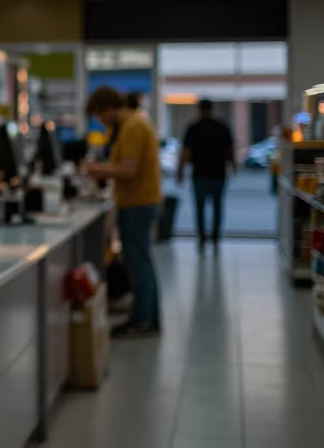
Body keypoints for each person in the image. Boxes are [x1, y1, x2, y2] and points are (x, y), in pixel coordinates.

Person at [85, 86, 162, 338]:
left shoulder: (132, 127)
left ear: (107, 108)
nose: (100, 122)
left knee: (138, 262)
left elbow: (128, 169)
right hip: (136, 201)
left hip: (138, 202)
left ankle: (143, 320)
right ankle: (146, 315)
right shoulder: (131, 124)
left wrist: (98, 169)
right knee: (140, 260)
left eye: (99, 115)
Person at [177, 99, 235, 248]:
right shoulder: (221, 127)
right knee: (217, 207)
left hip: (199, 174)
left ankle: (202, 237)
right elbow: (230, 149)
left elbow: (185, 152)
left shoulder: (194, 128)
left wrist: (180, 171)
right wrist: (233, 166)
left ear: (199, 109)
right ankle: (215, 237)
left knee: (200, 208)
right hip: (218, 173)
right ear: (212, 108)